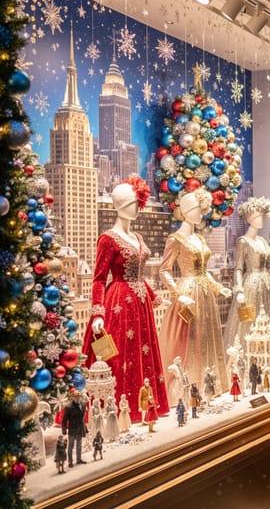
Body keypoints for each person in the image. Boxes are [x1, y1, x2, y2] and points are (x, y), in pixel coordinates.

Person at [82, 176, 169, 422]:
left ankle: (146, 407)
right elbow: (99, 279)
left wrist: (156, 298)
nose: (137, 208)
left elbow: (140, 277)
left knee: (142, 353)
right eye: (133, 203)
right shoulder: (108, 239)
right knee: (118, 356)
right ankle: (119, 411)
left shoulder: (138, 238)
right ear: (120, 205)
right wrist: (98, 313)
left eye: (138, 203)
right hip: (119, 303)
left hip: (140, 306)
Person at [159, 189, 232, 396]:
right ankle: (190, 387)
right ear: (188, 210)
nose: (201, 214)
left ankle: (210, 385)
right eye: (198, 210)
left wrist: (218, 287)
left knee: (206, 336)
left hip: (205, 294)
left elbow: (204, 271)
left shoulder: (199, 239)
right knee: (190, 339)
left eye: (202, 210)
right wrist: (176, 294)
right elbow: (164, 270)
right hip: (188, 292)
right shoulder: (175, 239)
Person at [223, 197, 270, 351]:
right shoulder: (243, 241)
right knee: (249, 318)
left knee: (267, 317)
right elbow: (238, 268)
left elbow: (268, 267)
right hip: (250, 284)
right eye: (257, 217)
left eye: (262, 216)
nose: (260, 220)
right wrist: (239, 289)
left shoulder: (262, 240)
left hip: (265, 282)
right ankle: (246, 355)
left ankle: (267, 354)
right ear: (249, 218)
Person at [61, 391, 87, 468]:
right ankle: (70, 461)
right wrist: (64, 429)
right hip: (72, 429)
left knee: (79, 444)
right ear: (72, 397)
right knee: (70, 446)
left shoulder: (83, 404)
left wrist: (84, 427)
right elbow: (64, 420)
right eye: (75, 396)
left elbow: (82, 417)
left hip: (80, 428)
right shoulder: (69, 407)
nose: (77, 398)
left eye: (78, 396)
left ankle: (79, 459)